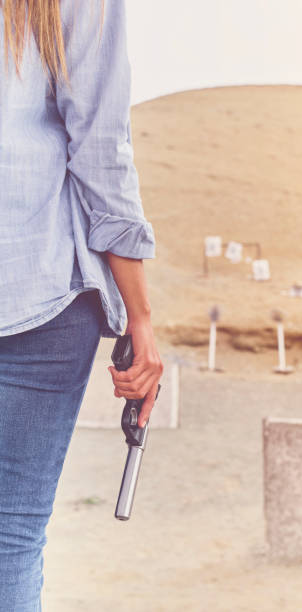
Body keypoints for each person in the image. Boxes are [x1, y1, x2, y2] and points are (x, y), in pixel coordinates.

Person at [0, 0, 163, 609]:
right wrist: (140, 317)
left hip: (40, 301)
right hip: (37, 289)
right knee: (9, 536)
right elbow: (100, 152)